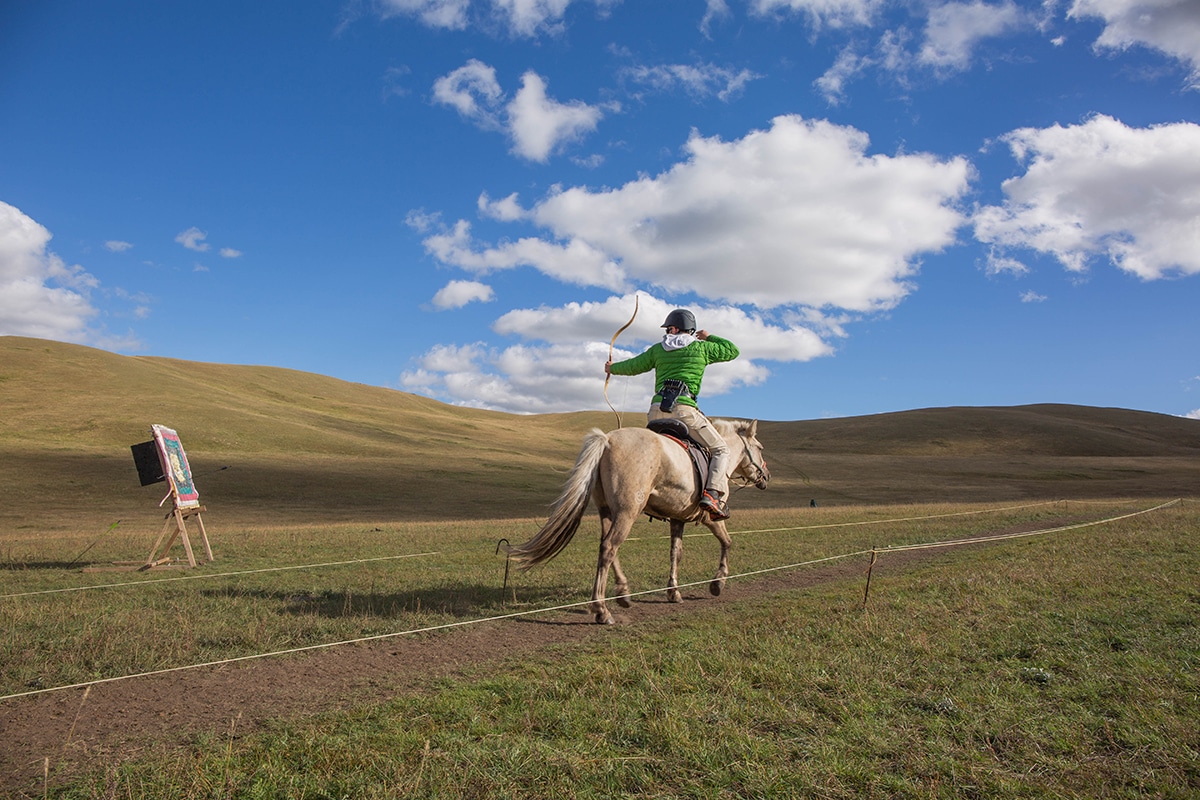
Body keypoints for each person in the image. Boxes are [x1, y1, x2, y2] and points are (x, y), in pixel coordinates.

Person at [605, 308, 740, 520]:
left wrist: (613, 368)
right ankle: (712, 495)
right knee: (721, 449)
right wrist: (708, 336)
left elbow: (634, 366)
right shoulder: (702, 348)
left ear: (674, 328)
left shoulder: (658, 350)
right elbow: (732, 350)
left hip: (656, 413)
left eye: (669, 327)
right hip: (684, 411)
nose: (667, 330)